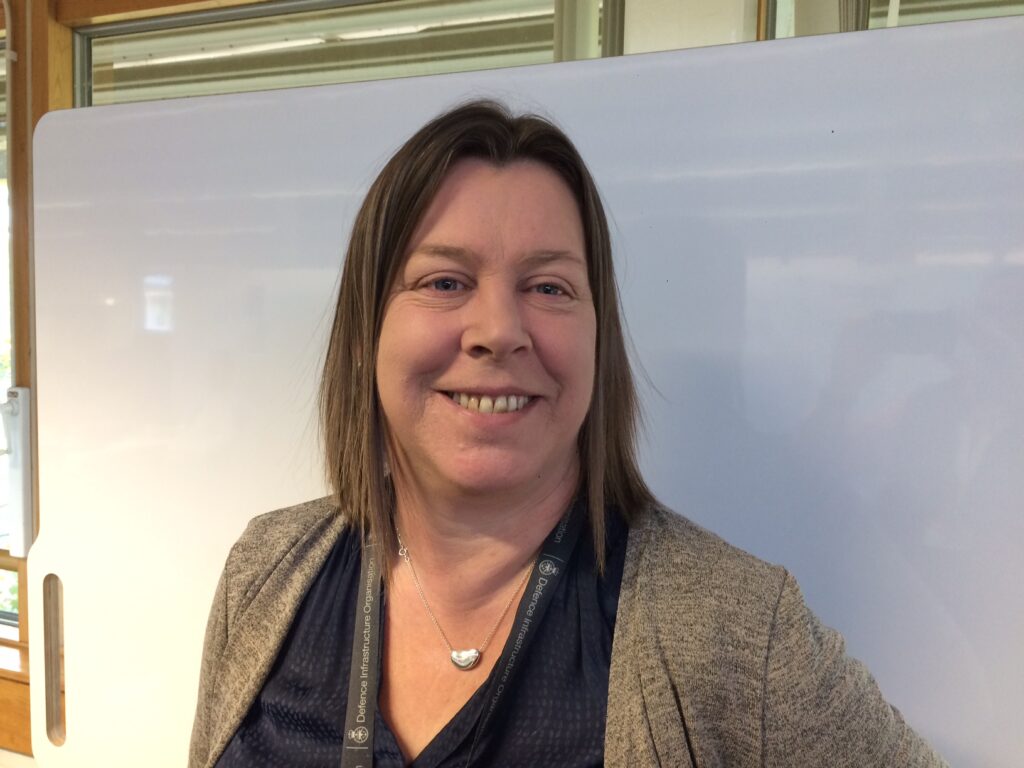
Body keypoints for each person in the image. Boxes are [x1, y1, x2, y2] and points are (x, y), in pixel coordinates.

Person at [189, 100, 946, 768]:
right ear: (365, 333)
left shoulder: (737, 629)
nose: (497, 331)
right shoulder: (265, 575)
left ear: (597, 341)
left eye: (548, 287)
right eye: (445, 282)